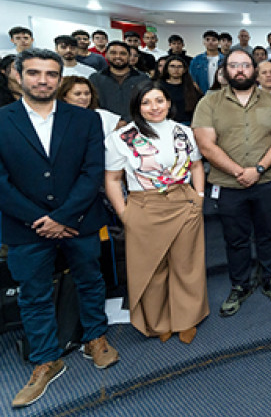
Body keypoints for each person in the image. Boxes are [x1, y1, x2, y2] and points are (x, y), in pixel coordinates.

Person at [0, 49, 119, 409]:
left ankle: (95, 337)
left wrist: (64, 217)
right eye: (34, 73)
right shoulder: (2, 119)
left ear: (59, 77)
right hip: (24, 226)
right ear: (18, 76)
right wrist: (40, 220)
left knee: (90, 280)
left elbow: (92, 170)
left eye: (51, 74)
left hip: (78, 221)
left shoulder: (84, 120)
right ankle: (46, 359)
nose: (43, 80)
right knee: (32, 294)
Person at [104, 81, 208, 344]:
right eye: (146, 102)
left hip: (184, 202)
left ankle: (186, 319)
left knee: (187, 265)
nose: (154, 107)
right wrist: (124, 214)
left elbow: (196, 166)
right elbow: (113, 179)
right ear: (137, 107)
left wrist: (199, 197)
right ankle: (159, 321)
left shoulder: (184, 132)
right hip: (144, 205)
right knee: (152, 269)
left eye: (159, 101)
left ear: (169, 103)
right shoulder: (122, 137)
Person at [192, 49, 271, 316]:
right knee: (235, 238)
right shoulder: (208, 104)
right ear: (224, 71)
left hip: (266, 180)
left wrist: (257, 170)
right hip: (227, 184)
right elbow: (206, 145)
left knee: (268, 232)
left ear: (254, 70)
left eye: (246, 65)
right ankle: (240, 284)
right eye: (234, 65)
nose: (240, 70)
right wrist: (239, 171)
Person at [89, 41, 149, 120]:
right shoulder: (95, 78)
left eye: (123, 54)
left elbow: (147, 103)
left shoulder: (143, 78)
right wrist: (113, 122)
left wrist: (127, 121)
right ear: (106, 55)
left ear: (129, 56)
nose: (118, 56)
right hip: (105, 125)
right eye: (113, 53)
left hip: (137, 124)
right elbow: (93, 104)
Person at [57, 76, 124, 136]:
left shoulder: (104, 116)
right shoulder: (56, 118)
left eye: (87, 93)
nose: (84, 97)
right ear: (64, 97)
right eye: (77, 94)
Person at [159, 55, 201, 125]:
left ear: (184, 70)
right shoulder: (159, 86)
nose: (176, 69)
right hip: (165, 123)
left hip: (188, 124)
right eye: (172, 66)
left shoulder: (191, 86)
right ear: (167, 69)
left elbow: (199, 107)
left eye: (179, 66)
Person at [189, 30, 224, 94]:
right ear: (204, 42)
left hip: (221, 93)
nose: (210, 42)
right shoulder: (196, 60)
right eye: (207, 40)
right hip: (202, 94)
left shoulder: (225, 60)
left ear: (219, 43)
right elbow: (192, 79)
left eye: (214, 40)